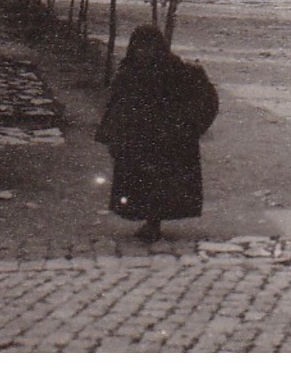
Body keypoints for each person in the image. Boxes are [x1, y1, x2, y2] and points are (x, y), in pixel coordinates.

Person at [94, 23, 219, 241]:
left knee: (158, 182)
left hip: (167, 138)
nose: (143, 52)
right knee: (141, 181)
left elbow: (205, 98)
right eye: (139, 48)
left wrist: (189, 127)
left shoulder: (175, 70)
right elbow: (118, 104)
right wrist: (112, 134)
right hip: (140, 137)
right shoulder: (129, 72)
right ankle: (149, 220)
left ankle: (153, 222)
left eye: (148, 47)